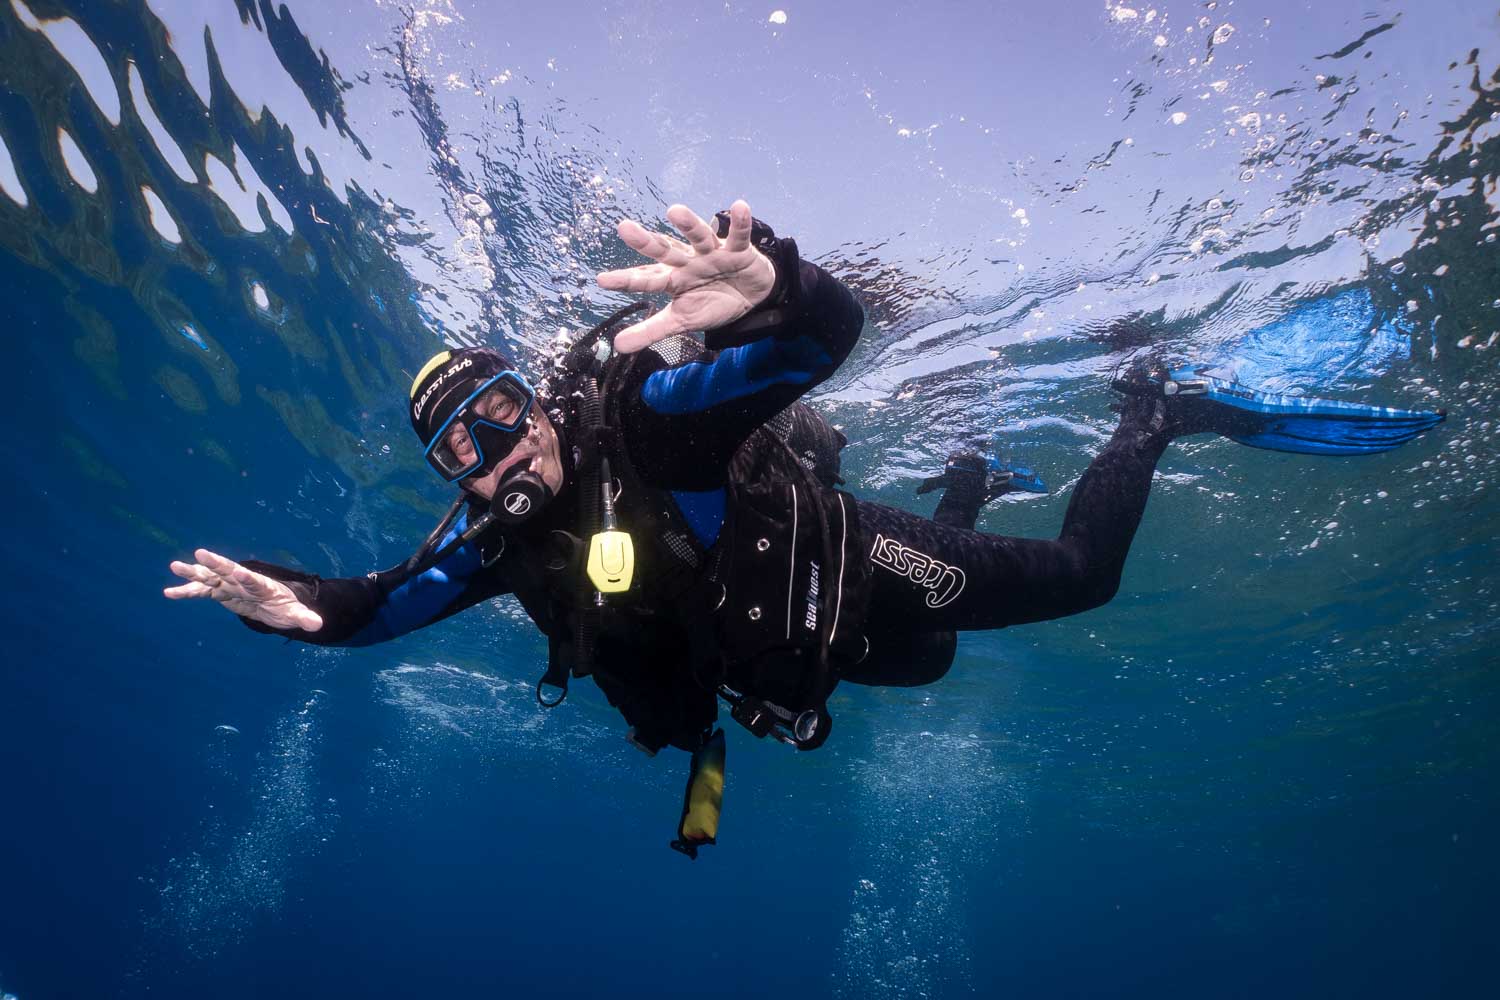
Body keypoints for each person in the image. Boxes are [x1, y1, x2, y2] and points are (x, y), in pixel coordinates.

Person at [165, 200, 1444, 855]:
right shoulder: (491, 542)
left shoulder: (642, 424)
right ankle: (971, 470)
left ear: (531, 396)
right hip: (806, 655)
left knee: (1077, 577)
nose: (496, 453)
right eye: (459, 447)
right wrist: (301, 610)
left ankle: (1155, 408)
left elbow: (818, 343)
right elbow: (370, 603)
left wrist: (780, 286)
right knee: (931, 662)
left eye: (499, 413)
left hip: (848, 556)